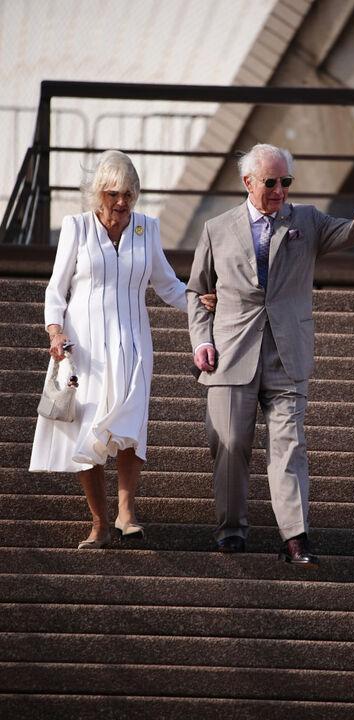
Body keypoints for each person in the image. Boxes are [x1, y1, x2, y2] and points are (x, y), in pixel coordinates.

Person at [187, 143, 354, 564]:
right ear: (248, 182)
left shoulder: (306, 219)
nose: (280, 190)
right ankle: (231, 532)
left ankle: (295, 537)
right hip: (231, 354)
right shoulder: (217, 228)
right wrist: (202, 339)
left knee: (289, 447)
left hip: (288, 353)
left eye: (286, 181)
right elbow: (197, 290)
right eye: (271, 182)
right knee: (229, 443)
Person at [29, 149, 215, 549]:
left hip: (133, 344)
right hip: (85, 348)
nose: (121, 202)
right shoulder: (77, 227)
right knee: (90, 427)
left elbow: (167, 285)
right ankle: (98, 522)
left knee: (131, 425)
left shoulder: (147, 228)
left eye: (128, 193)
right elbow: (55, 289)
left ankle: (126, 512)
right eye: (113, 193)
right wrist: (55, 333)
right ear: (98, 192)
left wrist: (199, 300)